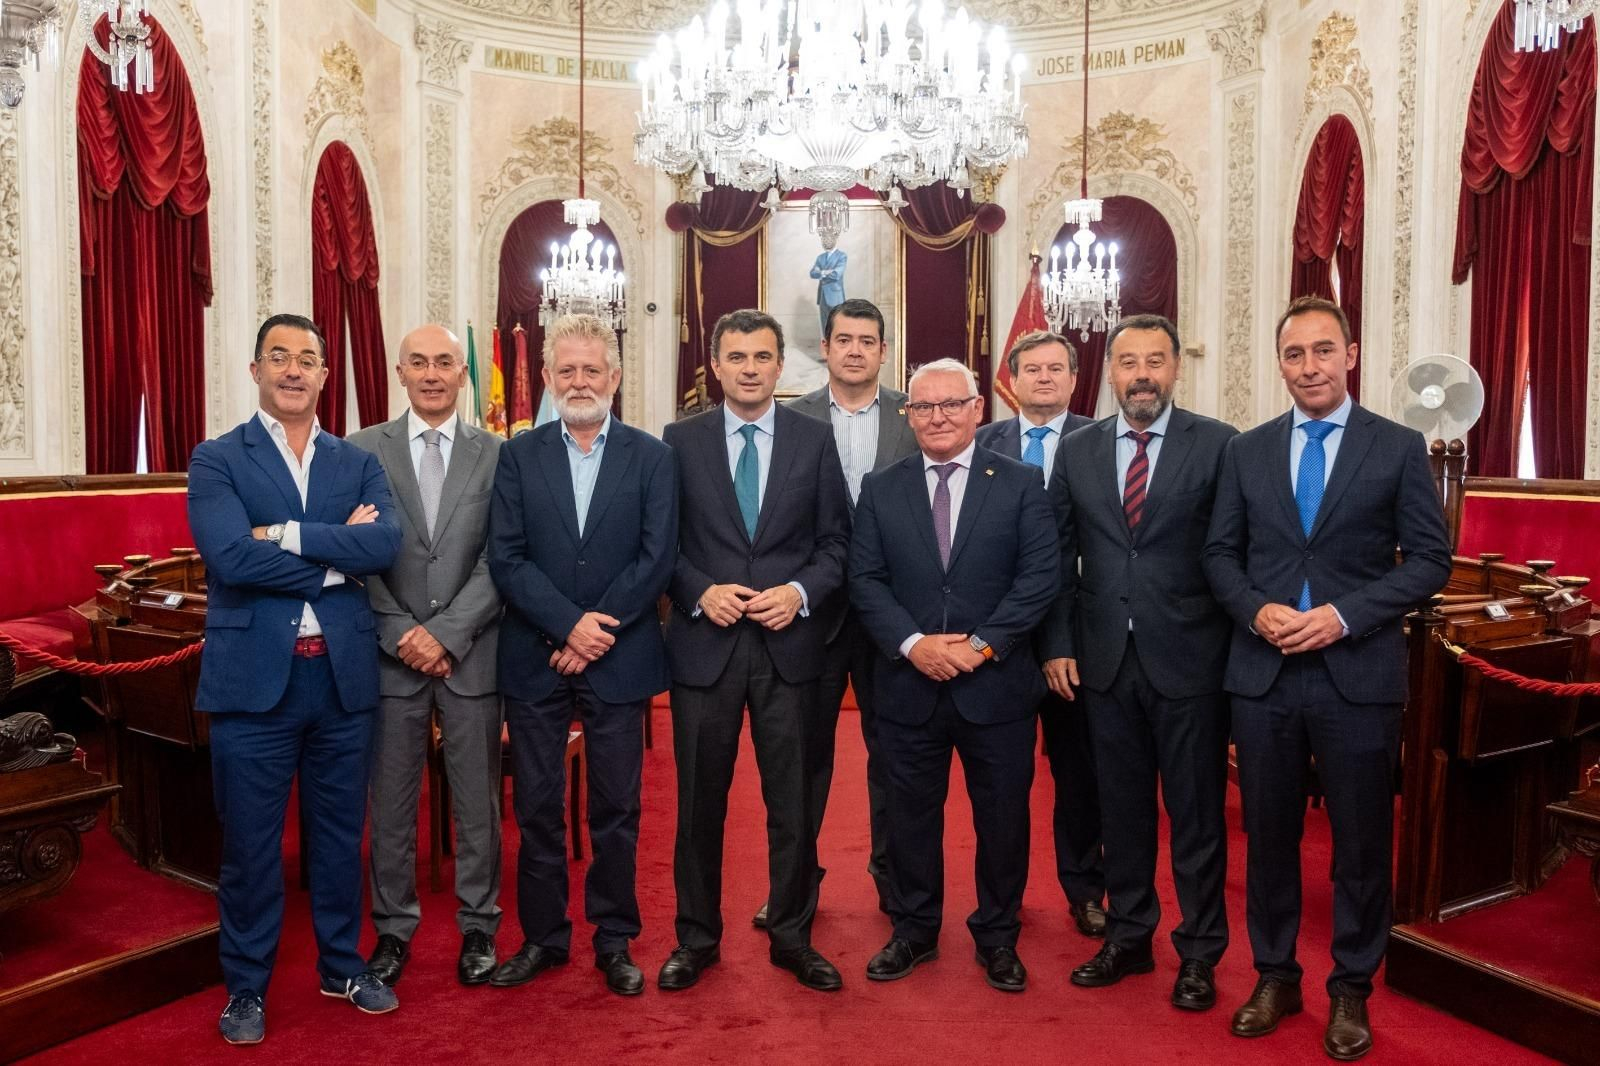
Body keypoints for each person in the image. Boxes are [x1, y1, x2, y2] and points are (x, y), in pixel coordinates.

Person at [1203, 296, 1451, 1060]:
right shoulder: (1246, 450)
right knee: (1269, 837)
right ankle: (1275, 975)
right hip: (1265, 671)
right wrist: (1257, 612)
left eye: (1321, 350)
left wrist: (1343, 615)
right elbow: (1219, 556)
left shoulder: (1399, 446)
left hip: (1356, 672)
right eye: (1293, 353)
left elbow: (1431, 562)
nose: (1307, 365)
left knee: (1359, 843)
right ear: (1279, 363)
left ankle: (1351, 987)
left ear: (1349, 355)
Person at [187, 314, 402, 1045]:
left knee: (342, 839)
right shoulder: (218, 458)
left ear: (323, 374)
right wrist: (339, 558)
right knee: (250, 847)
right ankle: (245, 986)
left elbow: (386, 544)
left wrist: (281, 535)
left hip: (341, 681)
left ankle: (342, 964)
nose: (293, 369)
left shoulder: (357, 461)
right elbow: (228, 559)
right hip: (254, 685)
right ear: (256, 371)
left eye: (306, 359)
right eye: (278, 357)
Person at [1041, 315, 1237, 1011]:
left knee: (1195, 817)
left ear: (1176, 367)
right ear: (1111, 372)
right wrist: (1059, 642)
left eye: (1155, 360)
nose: (1142, 373)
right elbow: (1058, 557)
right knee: (1120, 810)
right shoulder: (1081, 449)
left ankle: (1200, 952)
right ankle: (1128, 935)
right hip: (1102, 660)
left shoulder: (1218, 446)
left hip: (1191, 660)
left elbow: (1231, 555)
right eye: (1129, 361)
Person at [658, 308, 852, 993]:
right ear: (715, 365)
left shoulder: (813, 439)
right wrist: (696, 591)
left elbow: (838, 545)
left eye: (761, 357)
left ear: (780, 366)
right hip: (704, 648)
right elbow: (662, 546)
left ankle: (793, 936)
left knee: (793, 806)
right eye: (735, 356)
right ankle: (696, 939)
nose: (748, 368)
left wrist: (799, 592)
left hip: (790, 650)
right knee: (697, 807)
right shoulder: (678, 442)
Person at [850, 358, 1058, 994]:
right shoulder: (881, 487)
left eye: (950, 404)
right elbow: (865, 579)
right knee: (910, 817)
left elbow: (1039, 577)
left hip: (995, 688)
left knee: (1002, 819)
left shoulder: (1022, 483)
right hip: (909, 685)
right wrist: (914, 645)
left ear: (977, 409)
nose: (936, 417)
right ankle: (914, 929)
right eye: (922, 407)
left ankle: (997, 936)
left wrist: (983, 645)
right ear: (908, 416)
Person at [487, 314, 677, 997]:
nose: (578, 381)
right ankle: (543, 938)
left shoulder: (652, 456)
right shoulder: (516, 455)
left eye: (591, 369)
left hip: (620, 658)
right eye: (565, 370)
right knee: (535, 807)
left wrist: (597, 631)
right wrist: (567, 628)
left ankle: (614, 939)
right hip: (536, 656)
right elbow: (506, 559)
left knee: (616, 810)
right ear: (546, 377)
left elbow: (656, 559)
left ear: (615, 377)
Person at [348, 325, 505, 990]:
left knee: (479, 803)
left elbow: (503, 557)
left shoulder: (498, 454)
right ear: (400, 371)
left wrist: (447, 632)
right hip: (390, 658)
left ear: (463, 375)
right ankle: (393, 931)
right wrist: (402, 633)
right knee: (391, 804)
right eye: (420, 362)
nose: (434, 373)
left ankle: (479, 925)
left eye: (445, 362)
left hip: (470, 654)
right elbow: (354, 557)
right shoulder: (358, 452)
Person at [782, 297, 918, 927]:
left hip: (896, 613)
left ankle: (895, 884)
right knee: (803, 759)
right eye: (844, 340)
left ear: (883, 351)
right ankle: (794, 889)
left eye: (868, 340)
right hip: (815, 612)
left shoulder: (914, 414)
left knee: (893, 755)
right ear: (827, 348)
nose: (856, 350)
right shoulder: (793, 418)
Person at [977, 329, 1105, 939]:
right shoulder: (979, 444)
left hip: (1074, 641)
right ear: (1013, 380)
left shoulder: (1103, 443)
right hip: (995, 639)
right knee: (1000, 778)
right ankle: (1004, 898)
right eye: (1032, 369)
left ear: (1075, 379)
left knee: (1077, 772)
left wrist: (1060, 639)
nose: (1045, 378)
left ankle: (1084, 890)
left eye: (1057, 369)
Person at [810, 246, 848, 337]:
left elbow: (836, 275)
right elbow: (812, 273)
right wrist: (825, 272)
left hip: (836, 296)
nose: (826, 240)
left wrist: (821, 272)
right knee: (825, 324)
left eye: (829, 236)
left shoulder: (842, 256)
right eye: (824, 237)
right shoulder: (820, 257)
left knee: (838, 324)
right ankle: (827, 347)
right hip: (822, 295)